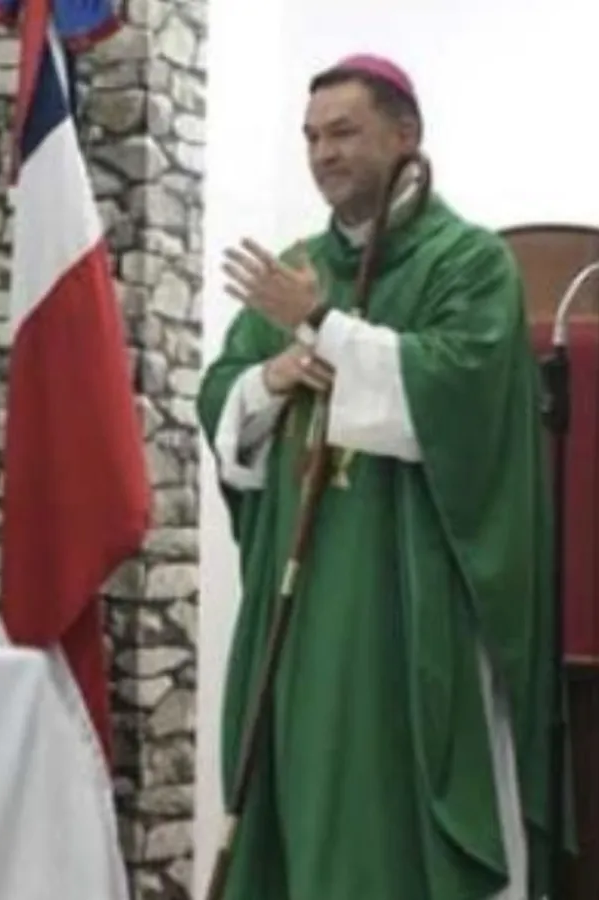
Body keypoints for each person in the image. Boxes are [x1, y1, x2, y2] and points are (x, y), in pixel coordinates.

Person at [199, 55, 560, 899]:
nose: (324, 154)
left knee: (388, 799)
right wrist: (271, 379)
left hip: (409, 593)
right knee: (306, 794)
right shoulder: (299, 267)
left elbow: (459, 395)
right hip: (304, 593)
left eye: (344, 133)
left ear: (406, 136)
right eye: (312, 138)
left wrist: (324, 327)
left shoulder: (467, 263)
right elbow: (224, 393)